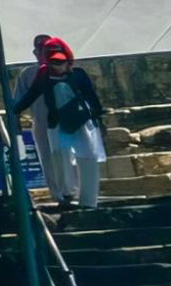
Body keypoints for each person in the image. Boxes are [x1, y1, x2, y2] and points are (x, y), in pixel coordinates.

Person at [14, 37, 108, 208]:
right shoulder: (39, 75)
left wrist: (99, 121)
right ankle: (65, 195)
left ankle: (88, 200)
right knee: (58, 158)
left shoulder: (78, 74)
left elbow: (91, 97)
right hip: (54, 123)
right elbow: (28, 97)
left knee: (87, 157)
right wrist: (13, 113)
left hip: (81, 122)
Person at [16, 34, 66, 199]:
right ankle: (58, 195)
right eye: (40, 49)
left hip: (66, 121)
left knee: (70, 157)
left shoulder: (66, 68)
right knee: (48, 159)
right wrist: (15, 122)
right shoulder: (28, 74)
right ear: (35, 52)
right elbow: (19, 100)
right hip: (42, 122)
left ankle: (74, 193)